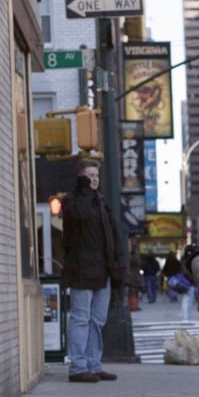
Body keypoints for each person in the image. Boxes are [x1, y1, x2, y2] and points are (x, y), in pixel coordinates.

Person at [60, 158, 124, 383]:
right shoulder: (73, 201)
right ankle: (78, 367)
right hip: (81, 270)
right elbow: (79, 217)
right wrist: (84, 190)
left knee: (97, 320)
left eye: (96, 176)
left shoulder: (101, 203)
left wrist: (117, 265)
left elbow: (112, 236)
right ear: (80, 178)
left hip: (103, 270)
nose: (94, 180)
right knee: (81, 318)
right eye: (89, 176)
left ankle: (93, 364)